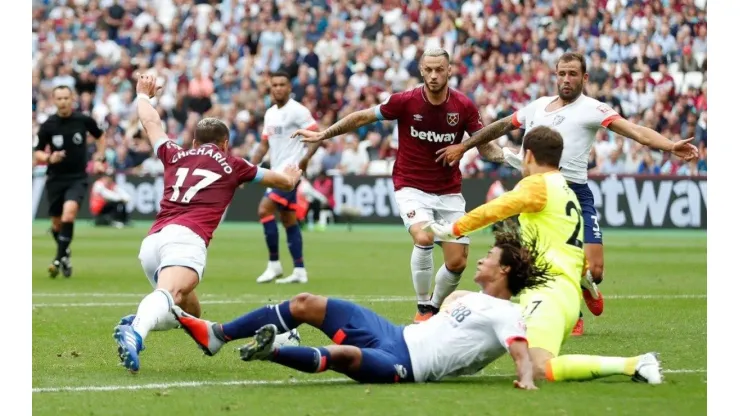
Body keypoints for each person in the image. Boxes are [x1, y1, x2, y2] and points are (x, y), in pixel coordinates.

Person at [435, 52, 699, 335]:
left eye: (573, 74)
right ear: (555, 75)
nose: (566, 79)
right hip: (539, 191)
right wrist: (465, 146)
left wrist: (670, 146)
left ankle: (586, 282)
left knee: (595, 270)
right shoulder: (537, 107)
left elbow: (636, 132)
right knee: (537, 258)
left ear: (584, 78)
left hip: (574, 193)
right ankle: (574, 312)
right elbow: (500, 126)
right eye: (562, 73)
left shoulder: (593, 109)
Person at [172, 227, 553, 388]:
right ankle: (218, 334)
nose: (481, 260)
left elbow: (519, 351)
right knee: (306, 303)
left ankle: (271, 351)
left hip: (409, 368)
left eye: (488, 256)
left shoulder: (507, 313)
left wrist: (527, 377)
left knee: (344, 355)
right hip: (394, 334)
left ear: (503, 269)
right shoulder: (468, 298)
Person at [427, 126, 663, 385]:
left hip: (547, 295)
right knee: (457, 300)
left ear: (528, 155)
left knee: (538, 369)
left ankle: (636, 364)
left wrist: (454, 228)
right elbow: (576, 255)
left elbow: (498, 208)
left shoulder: (537, 186)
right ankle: (428, 353)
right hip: (561, 296)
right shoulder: (566, 190)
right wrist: (589, 289)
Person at [293, 48, 503, 323]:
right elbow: (361, 117)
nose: (434, 75)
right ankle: (423, 308)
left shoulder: (463, 106)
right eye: (428, 69)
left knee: (457, 262)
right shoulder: (405, 101)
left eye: (439, 69)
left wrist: (511, 158)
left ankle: (434, 308)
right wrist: (324, 133)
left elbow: (486, 146)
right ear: (420, 70)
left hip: (449, 191)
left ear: (450, 70)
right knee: (424, 236)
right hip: (411, 186)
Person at [112, 73, 303, 374]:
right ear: (225, 143)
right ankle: (137, 328)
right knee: (170, 296)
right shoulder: (235, 164)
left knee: (190, 310)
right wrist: (293, 173)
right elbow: (283, 182)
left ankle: (178, 326)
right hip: (185, 239)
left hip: (153, 242)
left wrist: (143, 95)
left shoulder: (176, 153)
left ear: (193, 140)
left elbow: (151, 123)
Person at [251, 71, 321, 284]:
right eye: (275, 85)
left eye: (282, 84)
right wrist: (249, 166)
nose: (278, 88)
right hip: (276, 171)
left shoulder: (298, 111)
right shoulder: (270, 113)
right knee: (289, 220)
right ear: (270, 88)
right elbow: (264, 144)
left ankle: (274, 265)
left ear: (290, 88)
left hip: (289, 172)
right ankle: (299, 270)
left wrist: (305, 158)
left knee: (264, 209)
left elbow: (317, 136)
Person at [33, 85, 107, 278]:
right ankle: (65, 254)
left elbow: (101, 137)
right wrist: (50, 158)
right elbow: (37, 152)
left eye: (66, 98)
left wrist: (99, 158)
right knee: (57, 224)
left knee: (69, 214)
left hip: (77, 178)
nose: (63, 101)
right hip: (55, 179)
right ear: (54, 100)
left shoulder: (83, 120)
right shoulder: (48, 125)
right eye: (59, 98)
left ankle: (57, 259)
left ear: (72, 99)